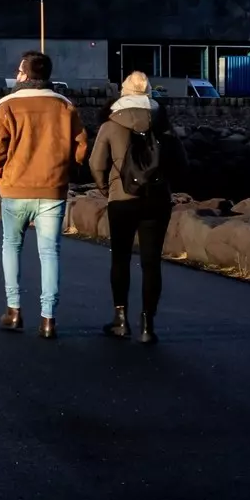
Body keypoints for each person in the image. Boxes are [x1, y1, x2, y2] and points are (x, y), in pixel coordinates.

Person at [0, 50, 89, 339]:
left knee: (11, 246)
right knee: (50, 253)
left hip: (15, 188)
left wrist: (1, 178)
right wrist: (66, 171)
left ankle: (14, 310)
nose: (17, 75)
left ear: (27, 74)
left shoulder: (6, 106)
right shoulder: (65, 107)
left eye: (19, 70)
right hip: (52, 189)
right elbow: (81, 146)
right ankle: (48, 318)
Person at [87, 70, 187, 345]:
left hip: (122, 200)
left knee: (120, 259)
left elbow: (96, 164)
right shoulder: (162, 123)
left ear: (124, 92)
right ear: (149, 92)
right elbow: (181, 162)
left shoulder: (110, 124)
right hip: (157, 200)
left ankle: (121, 321)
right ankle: (147, 324)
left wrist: (107, 190)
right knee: (151, 262)